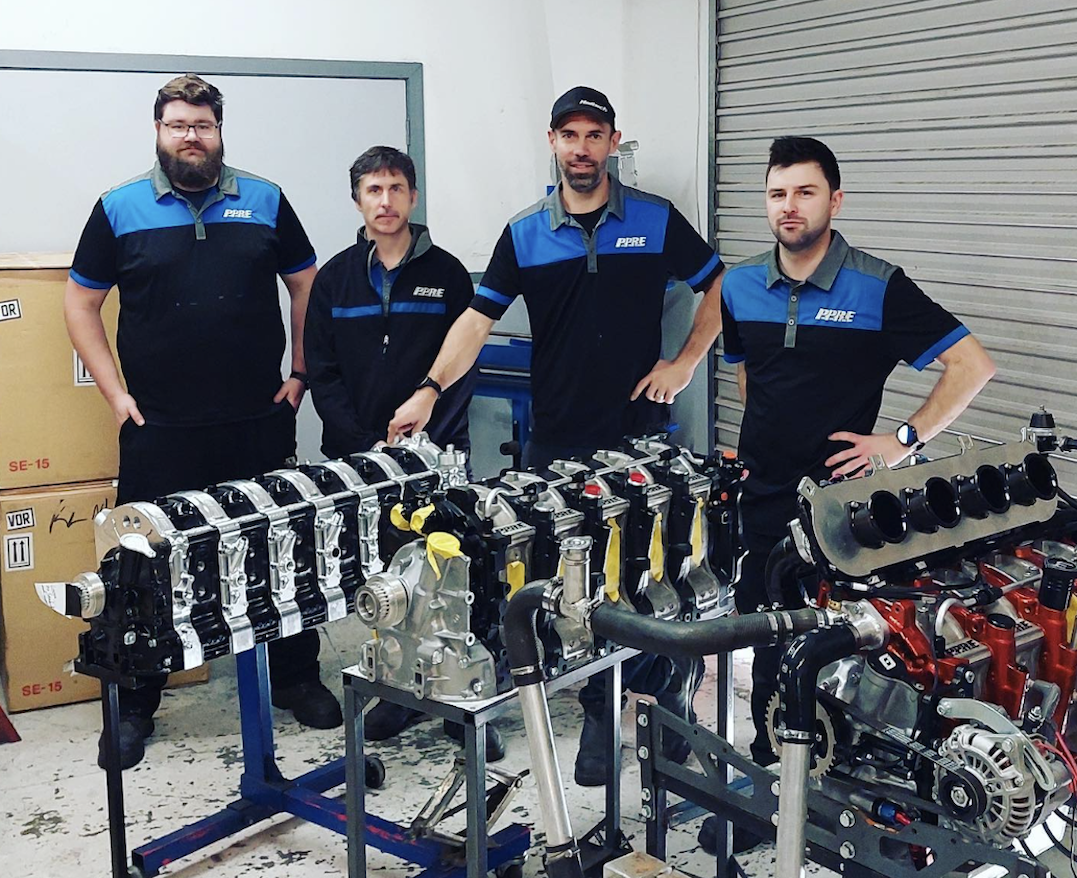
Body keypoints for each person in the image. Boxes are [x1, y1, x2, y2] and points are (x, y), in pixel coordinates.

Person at [387, 86, 726, 786]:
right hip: (559, 443)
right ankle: (602, 709)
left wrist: (686, 361)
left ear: (612, 142)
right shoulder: (524, 233)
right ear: (552, 142)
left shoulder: (656, 219)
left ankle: (667, 701)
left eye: (594, 135)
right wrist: (429, 388)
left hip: (639, 439)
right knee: (577, 584)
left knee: (653, 574)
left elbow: (722, 286)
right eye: (569, 135)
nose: (581, 148)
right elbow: (476, 322)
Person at [698, 135, 996, 855]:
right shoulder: (738, 285)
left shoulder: (877, 285)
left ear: (835, 200)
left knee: (848, 654)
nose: (789, 206)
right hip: (763, 501)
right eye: (777, 193)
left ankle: (850, 799)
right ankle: (770, 786)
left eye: (804, 192)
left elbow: (971, 365)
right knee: (764, 642)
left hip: (842, 513)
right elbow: (748, 371)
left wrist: (901, 441)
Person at [65, 74, 341, 771]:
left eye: (203, 125)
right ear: (158, 131)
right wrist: (115, 396)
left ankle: (296, 677)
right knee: (139, 564)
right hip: (161, 427)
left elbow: (306, 283)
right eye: (178, 125)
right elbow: (80, 303)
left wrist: (301, 372)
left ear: (220, 131)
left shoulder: (265, 200)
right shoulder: (119, 207)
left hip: (257, 419)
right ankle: (134, 702)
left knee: (280, 548)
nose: (191, 136)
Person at [303, 146, 503, 759]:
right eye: (373, 190)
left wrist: (426, 441)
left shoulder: (448, 274)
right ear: (357, 200)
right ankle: (398, 691)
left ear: (413, 197)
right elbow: (322, 371)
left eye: (395, 189)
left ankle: (466, 697)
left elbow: (462, 365)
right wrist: (364, 444)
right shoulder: (335, 279)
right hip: (361, 461)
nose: (385, 201)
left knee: (455, 578)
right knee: (386, 580)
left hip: (436, 458)